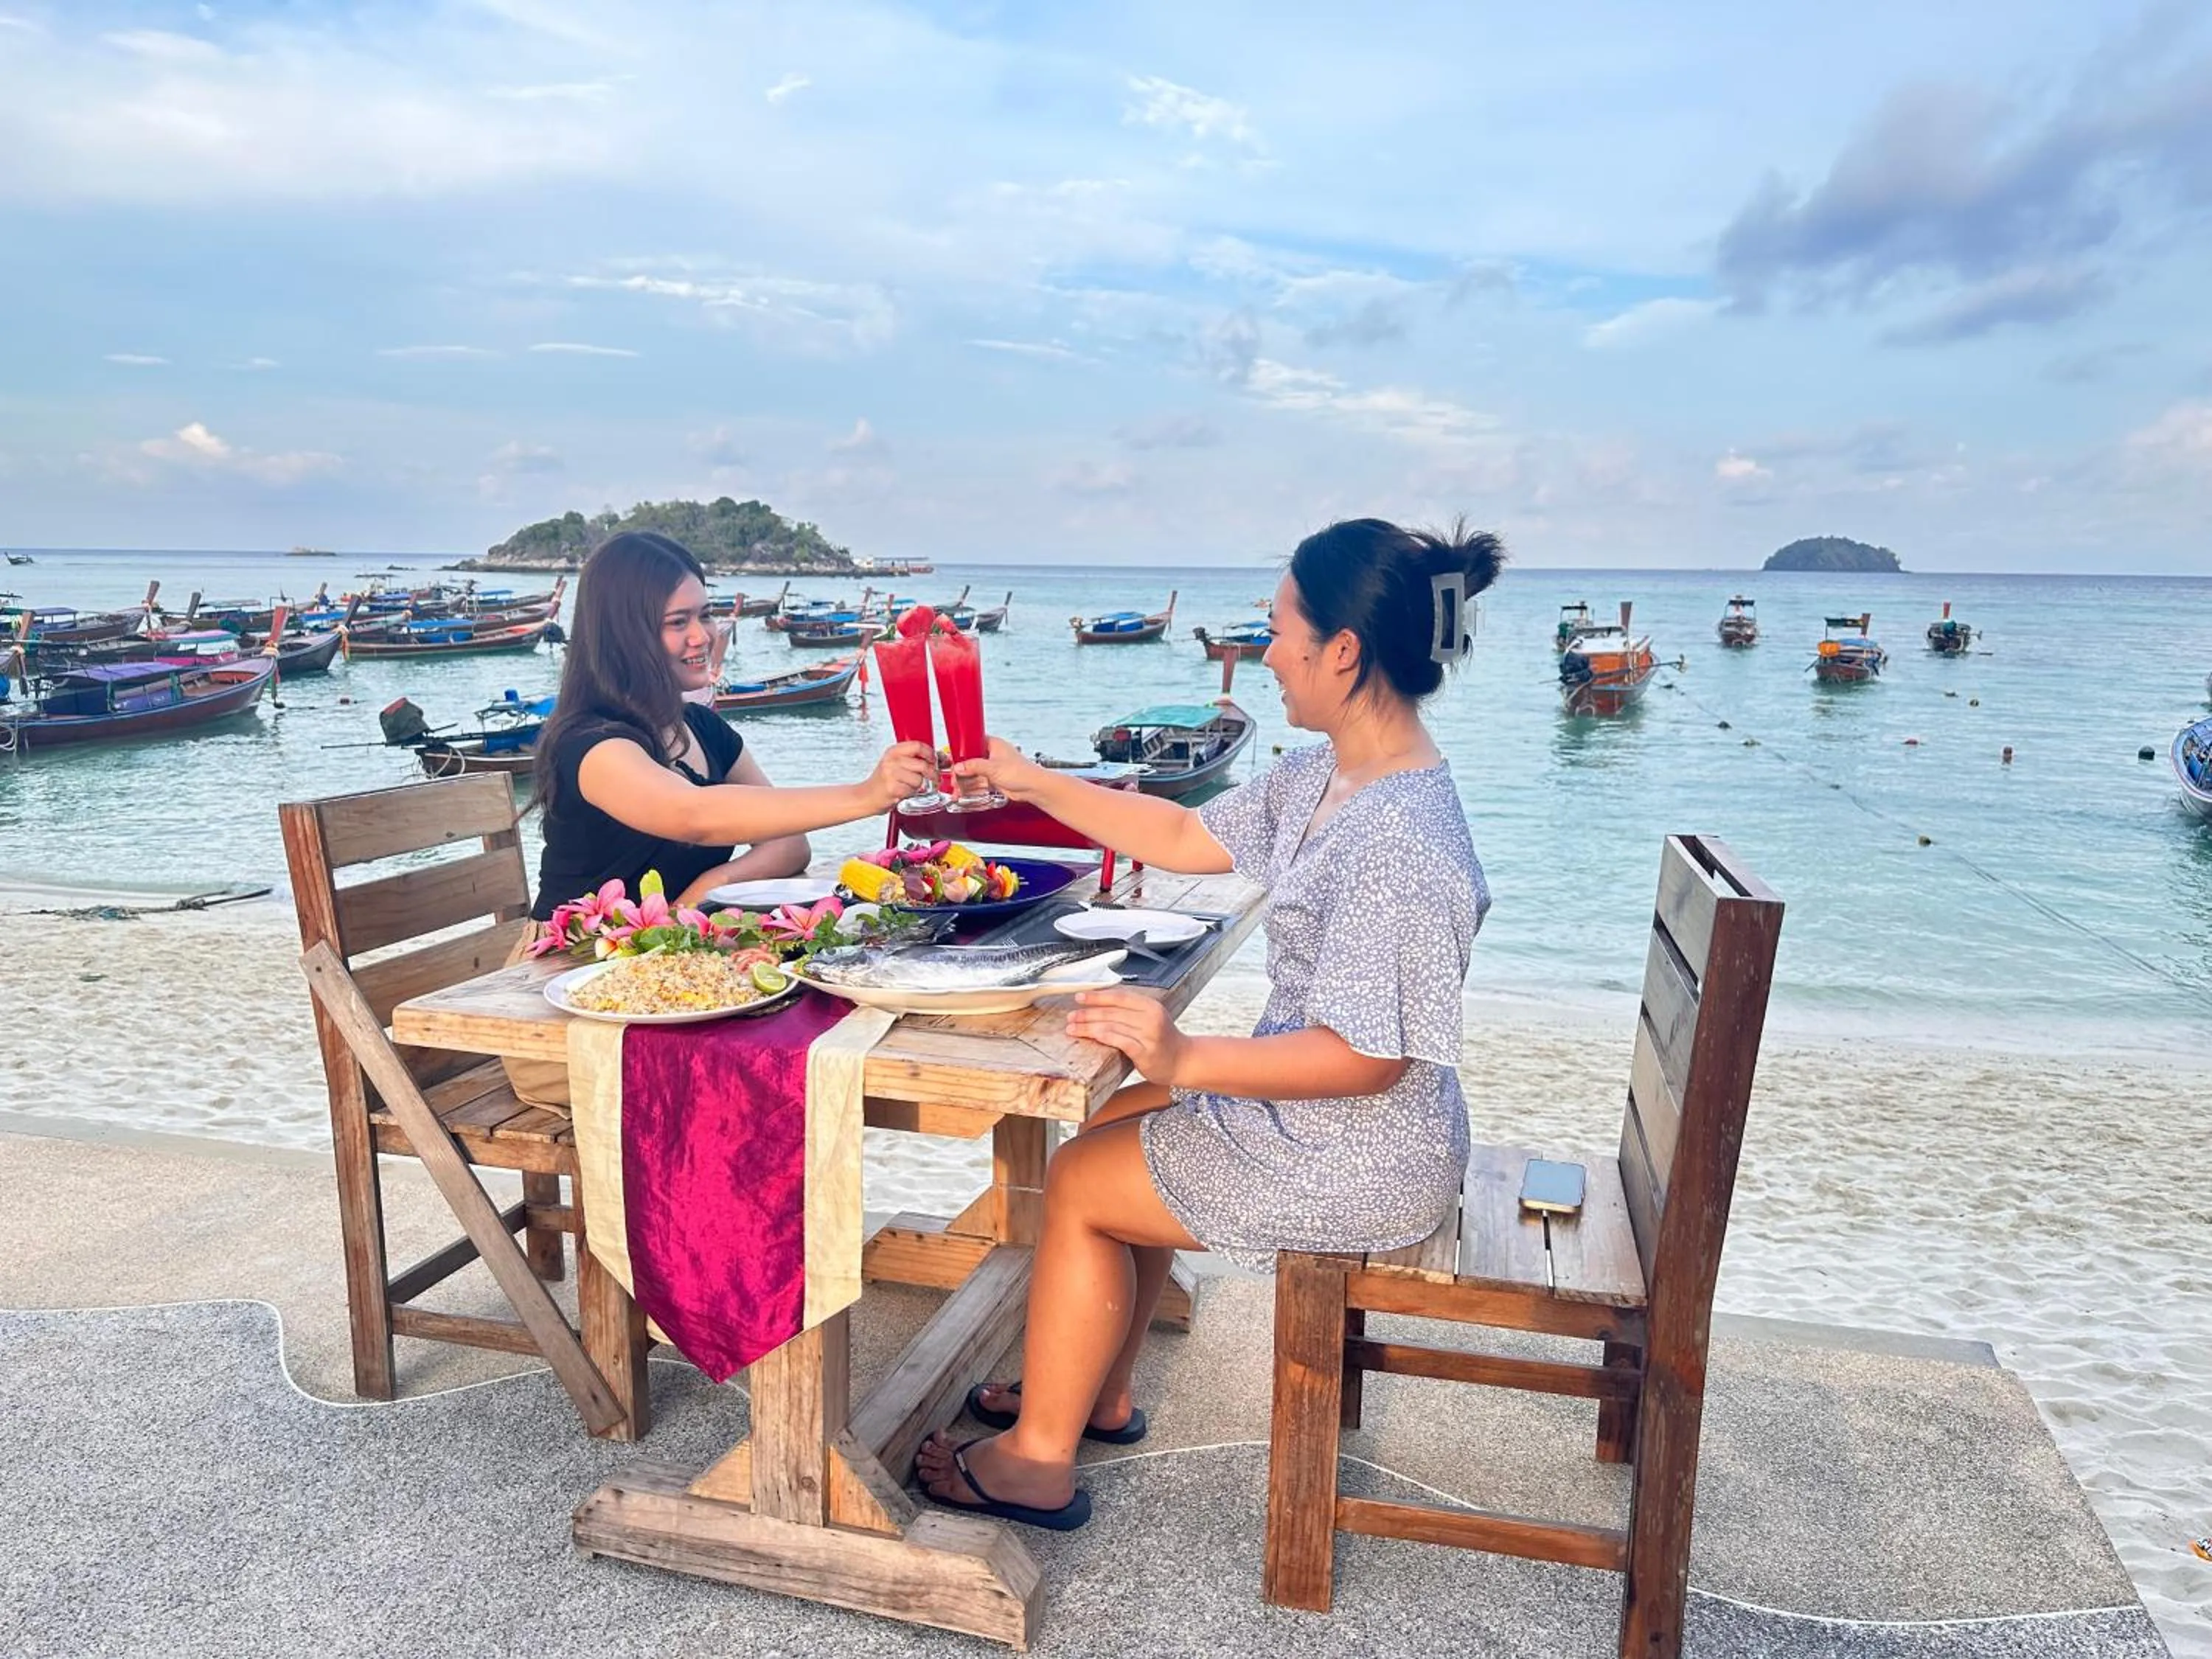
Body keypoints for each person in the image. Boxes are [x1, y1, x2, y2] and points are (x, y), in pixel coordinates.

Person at [915, 516, 1500, 1529]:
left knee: (1086, 1179)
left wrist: (1185, 1050)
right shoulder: (1335, 770)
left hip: (1364, 1148)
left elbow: (1368, 1059)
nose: (1263, 651)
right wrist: (1037, 780)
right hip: (1329, 1117)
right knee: (1110, 1129)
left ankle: (1035, 1461)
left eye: (1279, 629)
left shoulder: (1400, 834)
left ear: (1343, 649)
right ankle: (1094, 1386)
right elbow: (1189, 833)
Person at [529, 532, 932, 918]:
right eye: (677, 622)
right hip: (565, 966)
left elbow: (789, 843)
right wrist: (866, 795)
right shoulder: (592, 745)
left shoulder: (702, 729)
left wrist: (708, 888)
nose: (702, 636)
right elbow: (693, 816)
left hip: (667, 961)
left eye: (705, 616)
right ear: (624, 635)